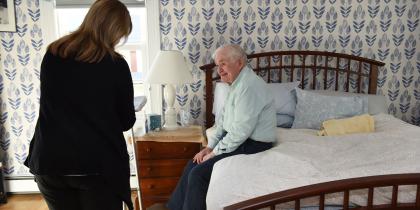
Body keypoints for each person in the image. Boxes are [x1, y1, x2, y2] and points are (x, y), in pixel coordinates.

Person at [24, 1, 135, 210]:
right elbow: (126, 121)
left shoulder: (54, 54)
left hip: (50, 160)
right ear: (112, 31)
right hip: (94, 165)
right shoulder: (115, 65)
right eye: (119, 35)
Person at [167, 44, 276, 210]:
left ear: (239, 63)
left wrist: (215, 153)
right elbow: (223, 122)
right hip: (239, 139)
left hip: (254, 144)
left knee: (198, 174)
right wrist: (209, 147)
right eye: (218, 65)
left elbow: (240, 132)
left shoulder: (249, 86)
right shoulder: (236, 84)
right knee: (193, 164)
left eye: (223, 64)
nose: (220, 70)